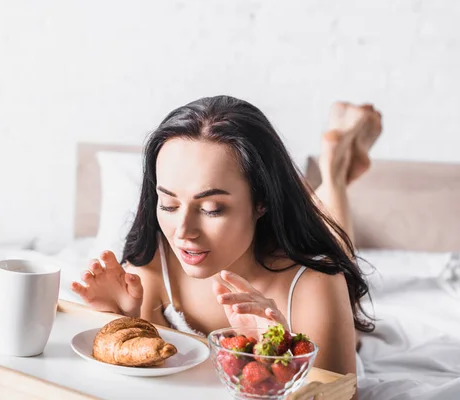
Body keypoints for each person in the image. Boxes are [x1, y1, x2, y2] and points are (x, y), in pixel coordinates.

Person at [70, 96, 382, 377]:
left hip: (311, 280)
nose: (183, 232)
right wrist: (123, 317)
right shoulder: (154, 259)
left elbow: (337, 393)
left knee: (337, 248)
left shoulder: (317, 282)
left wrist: (280, 350)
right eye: (168, 204)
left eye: (212, 208)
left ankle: (334, 169)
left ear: (262, 202)